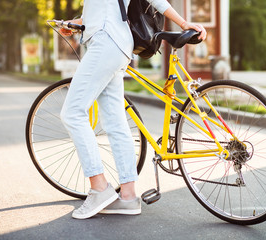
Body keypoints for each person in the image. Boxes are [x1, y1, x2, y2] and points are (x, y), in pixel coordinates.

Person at [60, 0, 207, 220]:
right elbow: (101, 11)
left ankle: (99, 188)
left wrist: (184, 23)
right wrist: (74, 23)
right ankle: (128, 197)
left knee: (72, 113)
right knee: (115, 122)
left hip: (106, 43)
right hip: (115, 44)